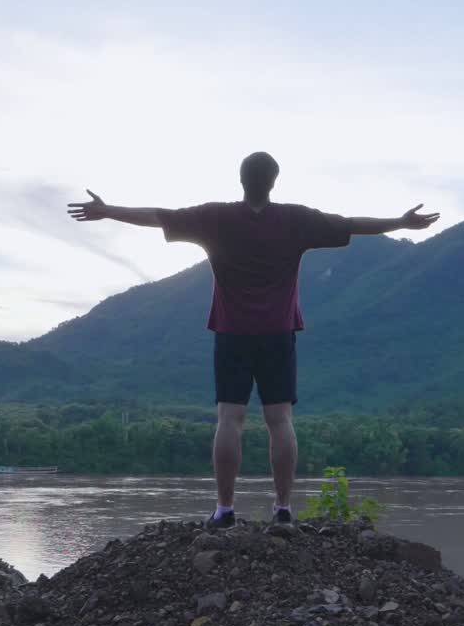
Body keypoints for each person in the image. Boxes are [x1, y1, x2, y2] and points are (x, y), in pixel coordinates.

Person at [68, 151, 439, 527]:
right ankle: (282, 508)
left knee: (230, 418)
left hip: (232, 333)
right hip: (278, 333)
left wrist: (109, 210)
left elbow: (158, 215)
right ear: (274, 181)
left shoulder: (215, 217)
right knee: (280, 420)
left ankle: (225, 509)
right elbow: (351, 224)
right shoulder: (295, 219)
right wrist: (401, 222)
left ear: (241, 180)